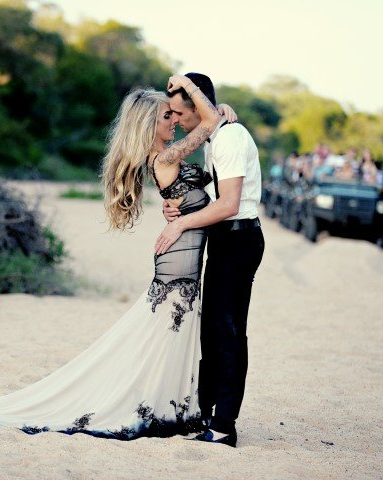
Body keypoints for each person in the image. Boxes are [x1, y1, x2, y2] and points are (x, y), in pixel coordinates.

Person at [0, 76, 238, 442]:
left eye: (173, 114)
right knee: (156, 343)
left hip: (182, 271)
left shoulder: (169, 159)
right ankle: (155, 410)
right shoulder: (165, 159)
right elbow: (208, 124)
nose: (173, 121)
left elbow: (207, 170)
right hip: (175, 275)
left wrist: (183, 212)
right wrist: (205, 98)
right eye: (165, 116)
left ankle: (167, 408)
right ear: (147, 124)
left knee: (161, 345)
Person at [157, 72, 265, 448]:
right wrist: (176, 202)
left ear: (196, 106)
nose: (178, 120)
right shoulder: (216, 134)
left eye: (180, 113)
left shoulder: (230, 137)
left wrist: (180, 223)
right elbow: (206, 187)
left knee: (229, 330)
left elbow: (230, 203)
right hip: (223, 239)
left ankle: (223, 426)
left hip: (240, 238)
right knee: (212, 330)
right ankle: (206, 413)